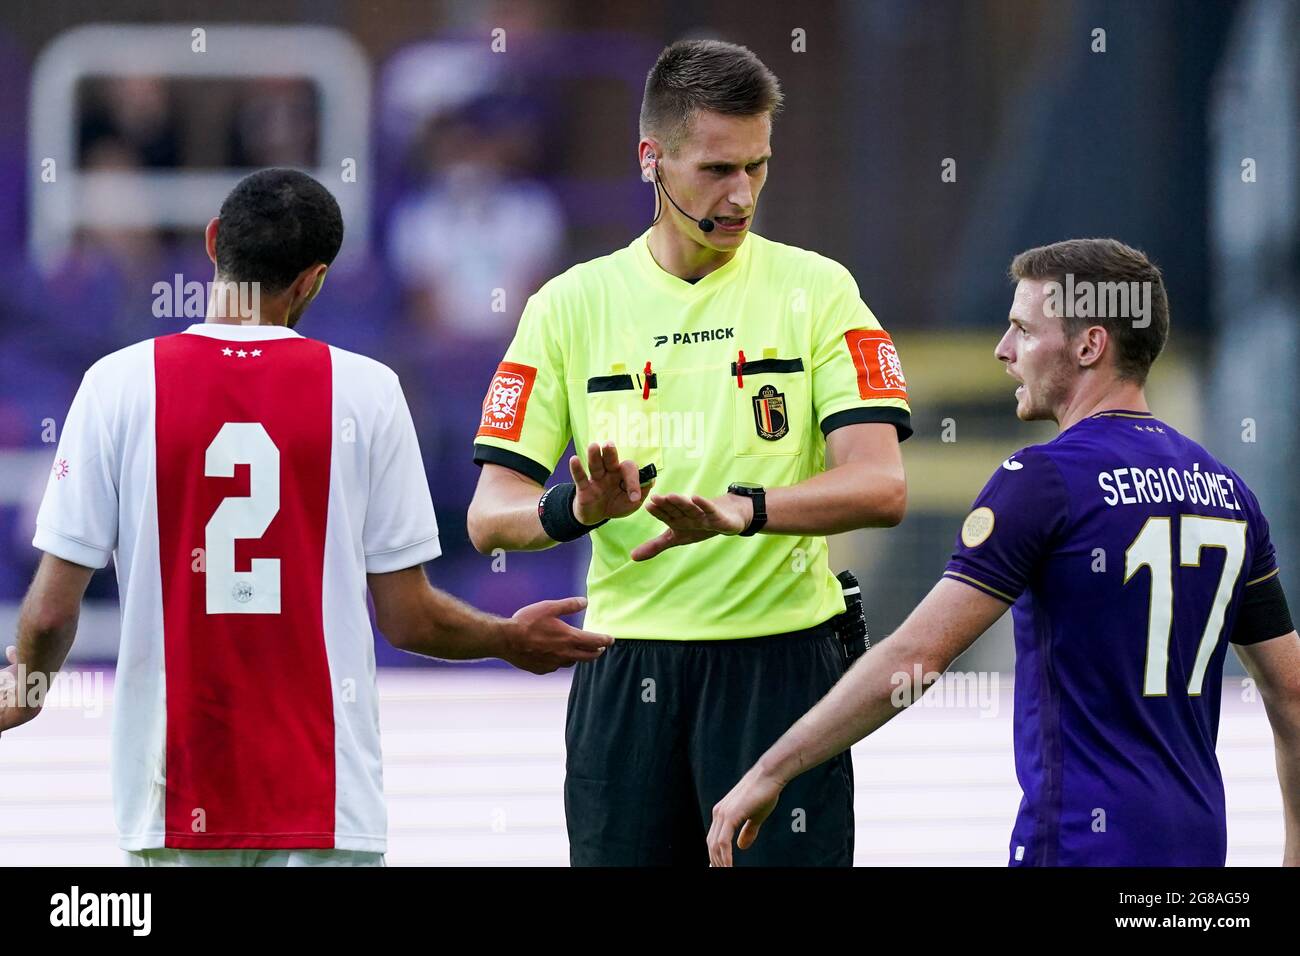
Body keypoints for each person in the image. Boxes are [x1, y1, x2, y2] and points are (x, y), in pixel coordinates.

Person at [0, 168, 611, 867]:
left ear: (212, 243)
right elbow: (410, 618)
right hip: (324, 804)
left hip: (172, 797)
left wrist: (30, 686)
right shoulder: (370, 393)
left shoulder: (116, 386)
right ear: (315, 279)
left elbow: (49, 615)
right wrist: (506, 639)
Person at [708, 238, 1300, 867]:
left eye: (1022, 328)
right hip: (1199, 846)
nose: (1003, 349)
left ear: (1089, 345)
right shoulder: (1229, 492)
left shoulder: (1044, 479)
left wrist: (773, 768)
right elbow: (1290, 692)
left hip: (1079, 843)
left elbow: (916, 659)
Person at [468, 40, 911, 866]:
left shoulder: (819, 289)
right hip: (627, 669)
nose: (742, 194)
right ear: (652, 160)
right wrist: (579, 509)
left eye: (758, 166)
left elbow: (881, 485)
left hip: (784, 668)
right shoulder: (568, 306)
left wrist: (748, 512)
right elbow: (489, 518)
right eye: (717, 169)